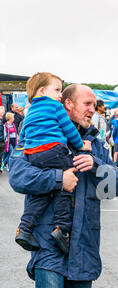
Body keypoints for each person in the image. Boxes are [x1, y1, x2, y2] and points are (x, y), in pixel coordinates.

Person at [9, 83, 118, 288]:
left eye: (94, 104)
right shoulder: (38, 134)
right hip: (49, 239)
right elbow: (18, 176)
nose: (92, 109)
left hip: (84, 240)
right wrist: (59, 177)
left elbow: (113, 189)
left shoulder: (97, 145)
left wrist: (98, 166)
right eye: (86, 103)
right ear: (67, 105)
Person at [15, 72, 92, 254]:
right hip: (54, 149)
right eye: (57, 90)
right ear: (42, 91)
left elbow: (23, 134)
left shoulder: (30, 110)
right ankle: (62, 229)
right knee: (66, 182)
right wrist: (82, 145)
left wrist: (28, 147)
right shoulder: (56, 107)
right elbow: (69, 130)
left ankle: (25, 228)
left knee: (43, 193)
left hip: (33, 153)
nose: (60, 95)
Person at [0, 106, 5, 172]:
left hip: (2, 141)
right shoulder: (2, 121)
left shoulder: (2, 121)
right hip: (1, 141)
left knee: (1, 156)